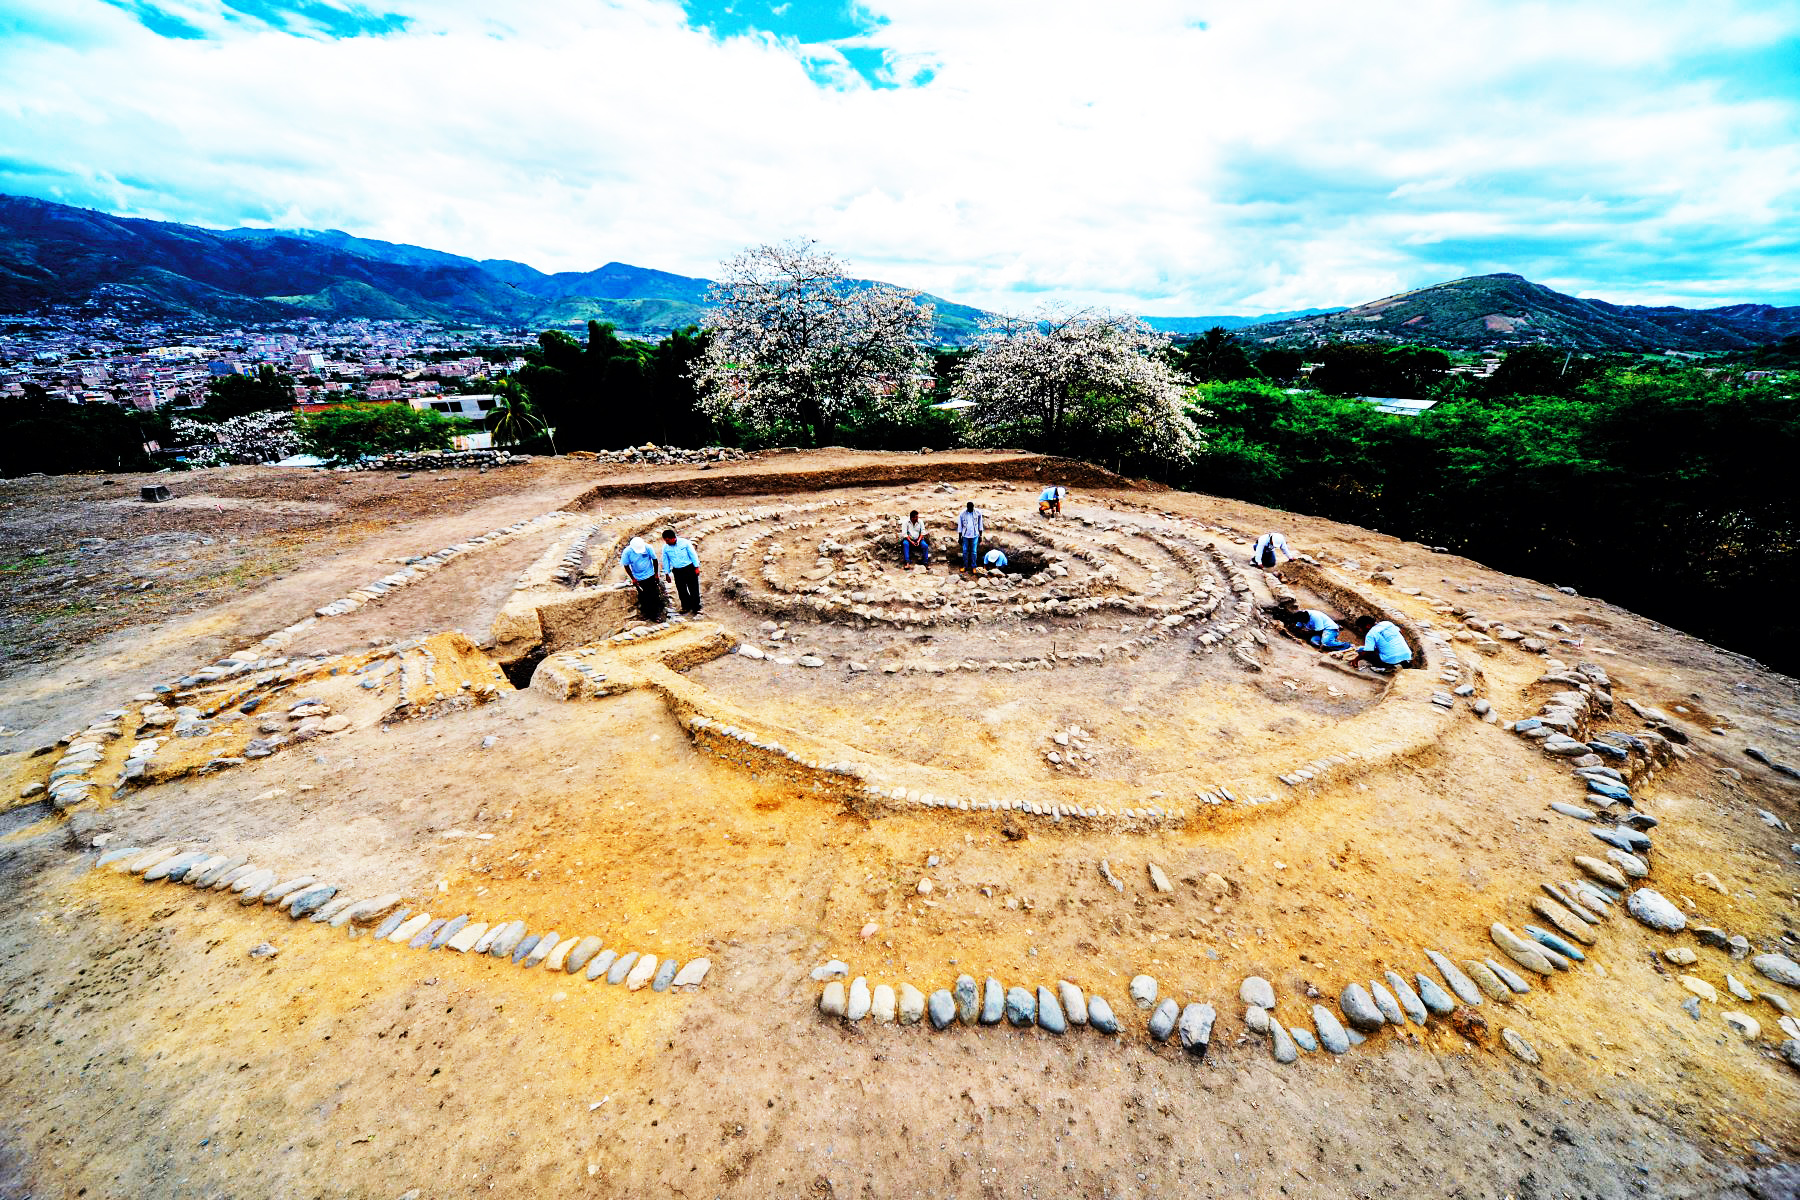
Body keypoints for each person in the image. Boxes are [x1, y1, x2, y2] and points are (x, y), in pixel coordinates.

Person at [1343, 614, 1412, 670]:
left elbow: (1368, 651)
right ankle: (1404, 663)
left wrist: (1356, 659)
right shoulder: (1387, 623)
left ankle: (1387, 666)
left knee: (1362, 652)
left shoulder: (1370, 634)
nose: (1360, 630)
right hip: (1407, 655)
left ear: (1368, 626)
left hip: (1389, 660)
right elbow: (1399, 631)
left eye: (1361, 628)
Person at [659, 526, 701, 615]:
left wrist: (696, 567)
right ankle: (686, 606)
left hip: (689, 568)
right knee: (681, 590)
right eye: (665, 541)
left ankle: (696, 607)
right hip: (677, 571)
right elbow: (666, 560)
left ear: (673, 538)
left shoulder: (685, 543)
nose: (666, 542)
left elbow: (693, 555)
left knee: (693, 588)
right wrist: (667, 573)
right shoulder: (665, 548)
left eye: (668, 540)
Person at [621, 536, 665, 621]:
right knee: (643, 596)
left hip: (650, 574)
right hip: (638, 577)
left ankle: (656, 615)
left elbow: (654, 560)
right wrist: (633, 578)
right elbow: (626, 565)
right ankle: (647, 614)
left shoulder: (648, 548)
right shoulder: (627, 552)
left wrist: (656, 574)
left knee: (654, 595)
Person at [957, 501, 984, 571]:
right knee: (965, 551)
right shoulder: (962, 514)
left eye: (972, 508)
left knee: (974, 552)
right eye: (969, 508)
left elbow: (980, 525)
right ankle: (965, 566)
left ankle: (973, 567)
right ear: (967, 507)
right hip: (965, 536)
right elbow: (960, 526)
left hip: (975, 535)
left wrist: (980, 536)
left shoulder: (978, 512)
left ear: (973, 507)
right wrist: (959, 538)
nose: (970, 509)